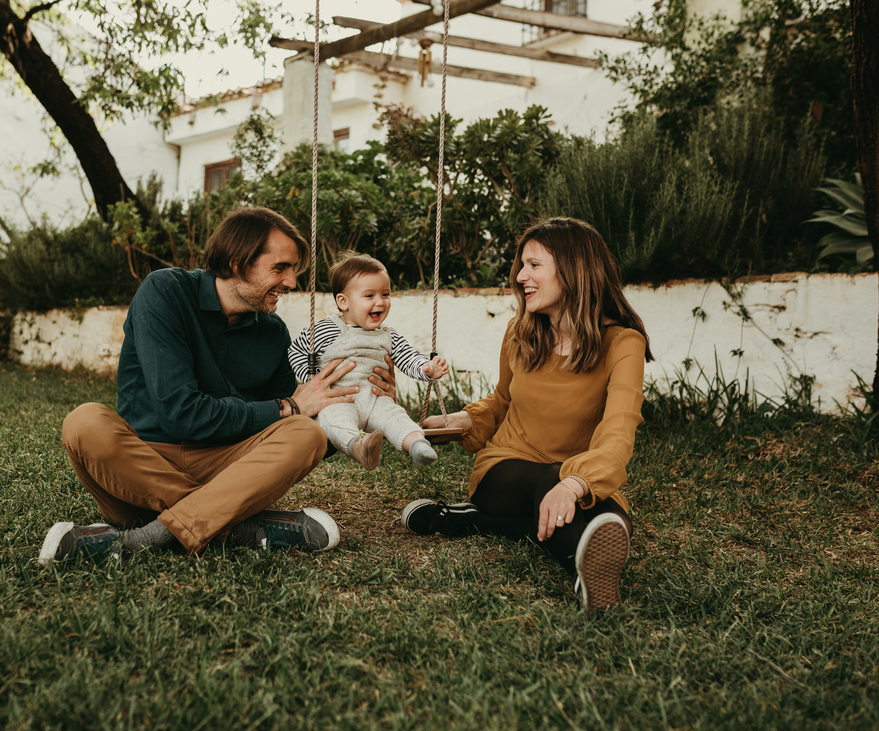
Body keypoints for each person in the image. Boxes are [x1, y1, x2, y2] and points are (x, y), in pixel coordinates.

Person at [38, 207, 400, 566]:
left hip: (227, 467)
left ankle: (139, 540)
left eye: (292, 270)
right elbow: (182, 413)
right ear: (239, 263)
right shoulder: (165, 292)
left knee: (304, 434)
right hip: (143, 469)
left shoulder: (272, 332)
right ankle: (236, 523)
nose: (291, 282)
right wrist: (286, 406)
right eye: (280, 268)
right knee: (84, 422)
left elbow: (306, 421)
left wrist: (366, 405)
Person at [399, 217, 653, 613]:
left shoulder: (623, 344)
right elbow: (501, 400)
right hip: (506, 472)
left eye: (534, 265)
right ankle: (580, 566)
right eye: (522, 265)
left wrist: (573, 485)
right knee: (583, 510)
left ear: (575, 268)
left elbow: (618, 432)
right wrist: (463, 421)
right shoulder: (520, 332)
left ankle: (469, 522)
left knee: (604, 513)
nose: (520, 276)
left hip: (576, 474)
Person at [286, 251, 448, 471]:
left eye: (385, 294)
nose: (380, 302)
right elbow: (296, 350)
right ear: (343, 302)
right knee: (334, 421)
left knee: (395, 417)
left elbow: (409, 357)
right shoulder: (325, 329)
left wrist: (427, 368)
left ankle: (417, 445)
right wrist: (312, 380)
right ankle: (359, 447)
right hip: (337, 399)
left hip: (376, 399)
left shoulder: (388, 335)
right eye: (369, 296)